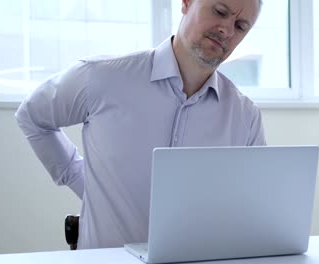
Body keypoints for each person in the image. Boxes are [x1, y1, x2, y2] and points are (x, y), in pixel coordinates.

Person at [15, 0, 265, 249]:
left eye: (241, 26)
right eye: (220, 12)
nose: (227, 30)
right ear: (187, 3)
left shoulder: (245, 117)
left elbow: (253, 209)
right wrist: (81, 180)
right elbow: (32, 116)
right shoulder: (103, 77)